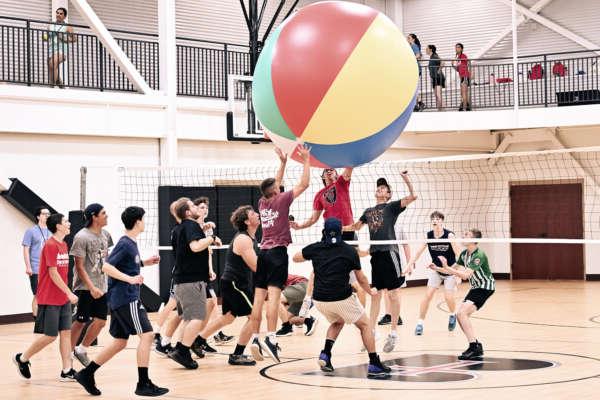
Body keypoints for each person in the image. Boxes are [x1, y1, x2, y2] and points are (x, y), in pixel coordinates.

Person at [74, 206, 168, 397]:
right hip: (127, 298)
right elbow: (106, 267)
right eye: (143, 219)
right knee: (148, 336)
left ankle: (86, 373)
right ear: (137, 222)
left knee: (119, 342)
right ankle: (143, 383)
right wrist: (131, 279)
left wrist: (143, 263)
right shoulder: (125, 243)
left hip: (120, 298)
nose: (145, 222)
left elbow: (123, 264)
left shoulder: (130, 243)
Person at [293, 218, 391, 378]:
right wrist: (370, 291)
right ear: (341, 232)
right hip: (341, 298)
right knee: (365, 325)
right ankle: (374, 363)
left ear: (324, 231)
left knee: (338, 322)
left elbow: (296, 257)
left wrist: (314, 253)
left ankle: (325, 354)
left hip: (320, 300)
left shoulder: (316, 248)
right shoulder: (349, 251)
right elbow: (361, 279)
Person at [345, 172, 417, 353]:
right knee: (375, 294)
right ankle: (373, 331)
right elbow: (355, 227)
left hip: (390, 253)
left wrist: (406, 179)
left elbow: (412, 196)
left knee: (393, 294)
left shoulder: (392, 207)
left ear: (388, 194)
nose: (380, 188)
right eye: (379, 187)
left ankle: (393, 333)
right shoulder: (368, 212)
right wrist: (335, 227)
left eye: (384, 188)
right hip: (375, 255)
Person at [252, 145, 311, 362]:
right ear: (276, 191)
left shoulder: (262, 202)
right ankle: (271, 338)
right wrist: (306, 159)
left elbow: (273, 185)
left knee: (259, 299)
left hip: (263, 254)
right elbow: (304, 184)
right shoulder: (282, 199)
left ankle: (256, 338)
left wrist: (283, 163)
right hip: (277, 254)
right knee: (274, 300)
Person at [192, 205, 262, 366]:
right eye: (253, 213)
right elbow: (257, 267)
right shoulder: (243, 239)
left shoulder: (250, 237)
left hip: (233, 282)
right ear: (246, 221)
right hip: (235, 283)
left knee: (228, 318)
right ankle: (237, 354)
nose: (258, 214)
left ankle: (198, 340)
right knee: (255, 316)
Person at [14, 213, 78, 382]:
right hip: (50, 298)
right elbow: (53, 273)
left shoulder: (63, 244)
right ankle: (22, 358)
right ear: (58, 226)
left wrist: (66, 294)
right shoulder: (50, 245)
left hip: (62, 298)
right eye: (65, 221)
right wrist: (69, 293)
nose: (69, 223)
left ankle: (67, 370)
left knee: (66, 333)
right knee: (51, 335)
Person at [291, 167, 366, 306]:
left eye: (332, 170)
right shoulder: (319, 195)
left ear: (338, 174)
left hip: (348, 232)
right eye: (326, 170)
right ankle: (308, 299)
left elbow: (349, 169)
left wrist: (350, 156)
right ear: (323, 176)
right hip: (330, 233)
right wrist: (299, 226)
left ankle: (361, 312)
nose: (329, 171)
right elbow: (313, 219)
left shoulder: (342, 184)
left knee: (355, 269)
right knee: (318, 267)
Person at [167, 198, 222, 369]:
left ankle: (178, 348)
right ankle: (182, 351)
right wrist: (211, 238)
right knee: (198, 318)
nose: (196, 207)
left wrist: (203, 229)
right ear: (187, 213)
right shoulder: (190, 225)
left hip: (182, 281)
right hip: (191, 281)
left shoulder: (179, 228)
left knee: (188, 319)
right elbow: (195, 246)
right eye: (192, 205)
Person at [434, 229, 495, 360]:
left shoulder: (479, 255)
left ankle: (474, 346)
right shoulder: (464, 254)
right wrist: (437, 268)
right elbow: (451, 270)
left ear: (473, 240)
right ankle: (475, 345)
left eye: (467, 235)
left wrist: (447, 267)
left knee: (462, 313)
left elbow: (466, 275)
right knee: (460, 315)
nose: (463, 236)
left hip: (485, 287)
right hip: (476, 288)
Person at [69, 203, 113, 366]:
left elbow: (107, 260)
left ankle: (81, 350)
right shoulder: (81, 237)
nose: (106, 215)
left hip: (101, 286)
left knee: (101, 321)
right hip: (85, 287)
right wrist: (91, 287)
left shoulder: (106, 235)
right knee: (80, 321)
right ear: (94, 216)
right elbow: (79, 266)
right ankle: (68, 357)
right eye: (103, 213)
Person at [405, 211, 462, 336]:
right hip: (436, 269)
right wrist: (409, 265)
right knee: (428, 295)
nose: (435, 220)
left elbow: (459, 255)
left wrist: (456, 272)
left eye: (437, 218)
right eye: (433, 219)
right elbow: (418, 253)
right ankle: (420, 323)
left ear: (442, 221)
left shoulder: (449, 236)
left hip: (450, 269)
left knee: (448, 297)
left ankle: (452, 315)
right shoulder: (429, 235)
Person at [192, 196, 233, 351]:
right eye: (201, 207)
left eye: (206, 207)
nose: (205, 209)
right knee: (184, 310)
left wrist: (210, 269)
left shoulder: (208, 228)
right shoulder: (192, 226)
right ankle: (171, 339)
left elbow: (208, 252)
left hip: (203, 270)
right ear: (194, 209)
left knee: (213, 301)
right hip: (191, 272)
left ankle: (208, 336)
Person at [22, 206, 51, 318]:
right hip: (36, 268)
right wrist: (28, 267)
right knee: (38, 294)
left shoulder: (51, 231)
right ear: (38, 216)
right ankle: (36, 319)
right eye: (44, 214)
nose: (47, 216)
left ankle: (44, 318)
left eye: (49, 214)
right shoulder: (31, 231)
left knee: (48, 294)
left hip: (49, 268)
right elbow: (26, 250)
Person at [45, 7, 76, 88]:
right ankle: (61, 85)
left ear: (64, 16)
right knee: (51, 68)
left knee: (52, 64)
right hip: (51, 50)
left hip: (61, 51)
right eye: (57, 13)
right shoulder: (50, 26)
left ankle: (51, 86)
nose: (58, 15)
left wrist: (64, 38)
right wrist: (45, 36)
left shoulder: (68, 27)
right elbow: (46, 37)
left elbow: (74, 39)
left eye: (61, 13)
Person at [407, 33, 424, 111]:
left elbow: (418, 55)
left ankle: (419, 103)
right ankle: (418, 103)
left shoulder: (413, 46)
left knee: (414, 87)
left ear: (413, 39)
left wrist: (411, 58)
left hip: (416, 69)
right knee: (413, 87)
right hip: (414, 69)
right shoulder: (411, 46)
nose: (407, 39)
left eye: (409, 38)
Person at [453, 42, 471, 111]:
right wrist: (453, 65)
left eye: (458, 47)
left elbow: (468, 63)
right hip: (462, 76)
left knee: (464, 92)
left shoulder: (463, 56)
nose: (456, 49)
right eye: (456, 47)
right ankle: (467, 106)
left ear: (461, 49)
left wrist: (471, 73)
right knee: (462, 93)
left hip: (465, 76)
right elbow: (458, 69)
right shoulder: (458, 57)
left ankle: (464, 108)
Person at [426, 44, 445, 110]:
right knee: (436, 95)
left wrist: (439, 70)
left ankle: (443, 110)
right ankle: (439, 109)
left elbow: (442, 62)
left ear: (431, 49)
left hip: (438, 77)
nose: (426, 50)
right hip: (434, 78)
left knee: (438, 94)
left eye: (427, 49)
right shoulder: (431, 57)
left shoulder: (434, 56)